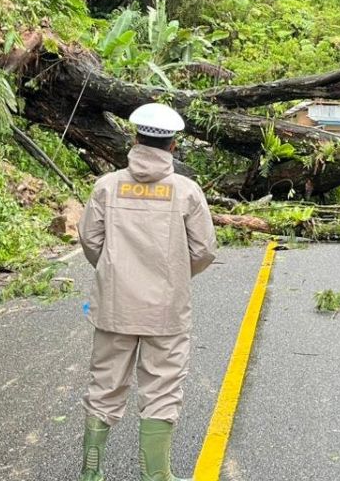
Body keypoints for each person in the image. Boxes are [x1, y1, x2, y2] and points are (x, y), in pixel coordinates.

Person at [77, 103, 218, 481]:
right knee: (162, 389)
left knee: (104, 386)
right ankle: (156, 476)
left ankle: (91, 472)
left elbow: (89, 240)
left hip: (114, 306)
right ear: (173, 146)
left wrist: (113, 272)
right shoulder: (186, 192)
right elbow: (204, 250)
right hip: (166, 311)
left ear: (134, 139)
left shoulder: (107, 186)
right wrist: (175, 276)